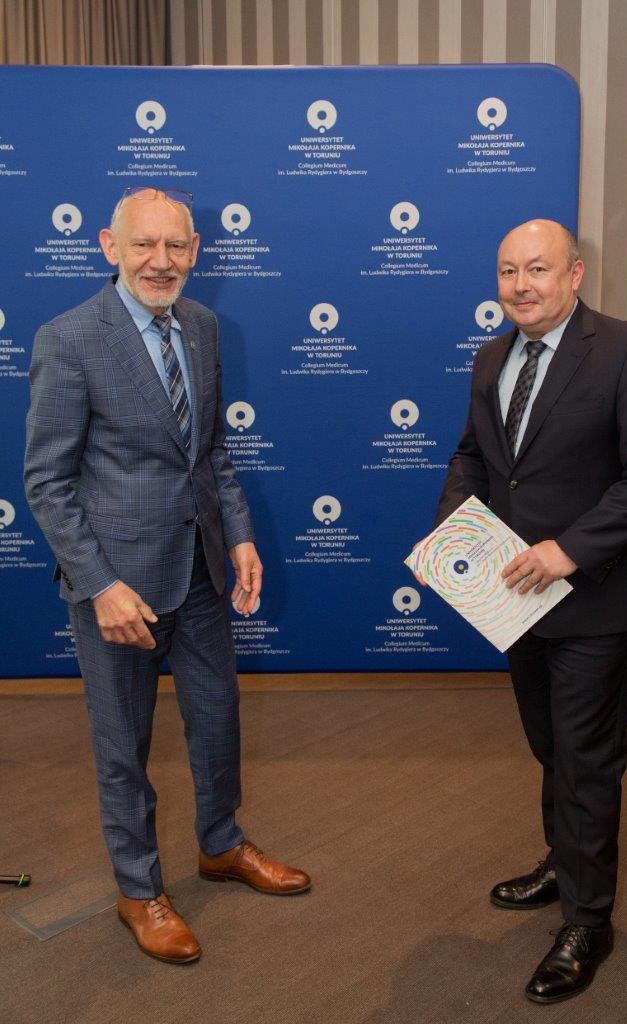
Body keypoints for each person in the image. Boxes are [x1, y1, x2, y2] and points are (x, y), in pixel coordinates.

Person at [24, 186, 311, 965]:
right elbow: (47, 482)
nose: (161, 261)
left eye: (175, 246)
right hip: (117, 589)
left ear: (195, 251)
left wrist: (239, 536)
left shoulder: (205, 327)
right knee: (124, 746)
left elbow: (210, 450)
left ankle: (221, 845)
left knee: (217, 723)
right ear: (109, 247)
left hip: (202, 570)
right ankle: (138, 890)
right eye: (144, 244)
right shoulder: (69, 338)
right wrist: (99, 584)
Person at [429, 219, 627, 1003]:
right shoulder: (492, 357)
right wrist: (453, 535)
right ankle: (563, 861)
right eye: (508, 271)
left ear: (574, 275)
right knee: (550, 745)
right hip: (515, 601)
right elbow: (475, 455)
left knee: (587, 759)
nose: (521, 285)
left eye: (537, 269)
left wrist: (569, 550)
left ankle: (587, 920)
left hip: (594, 600)